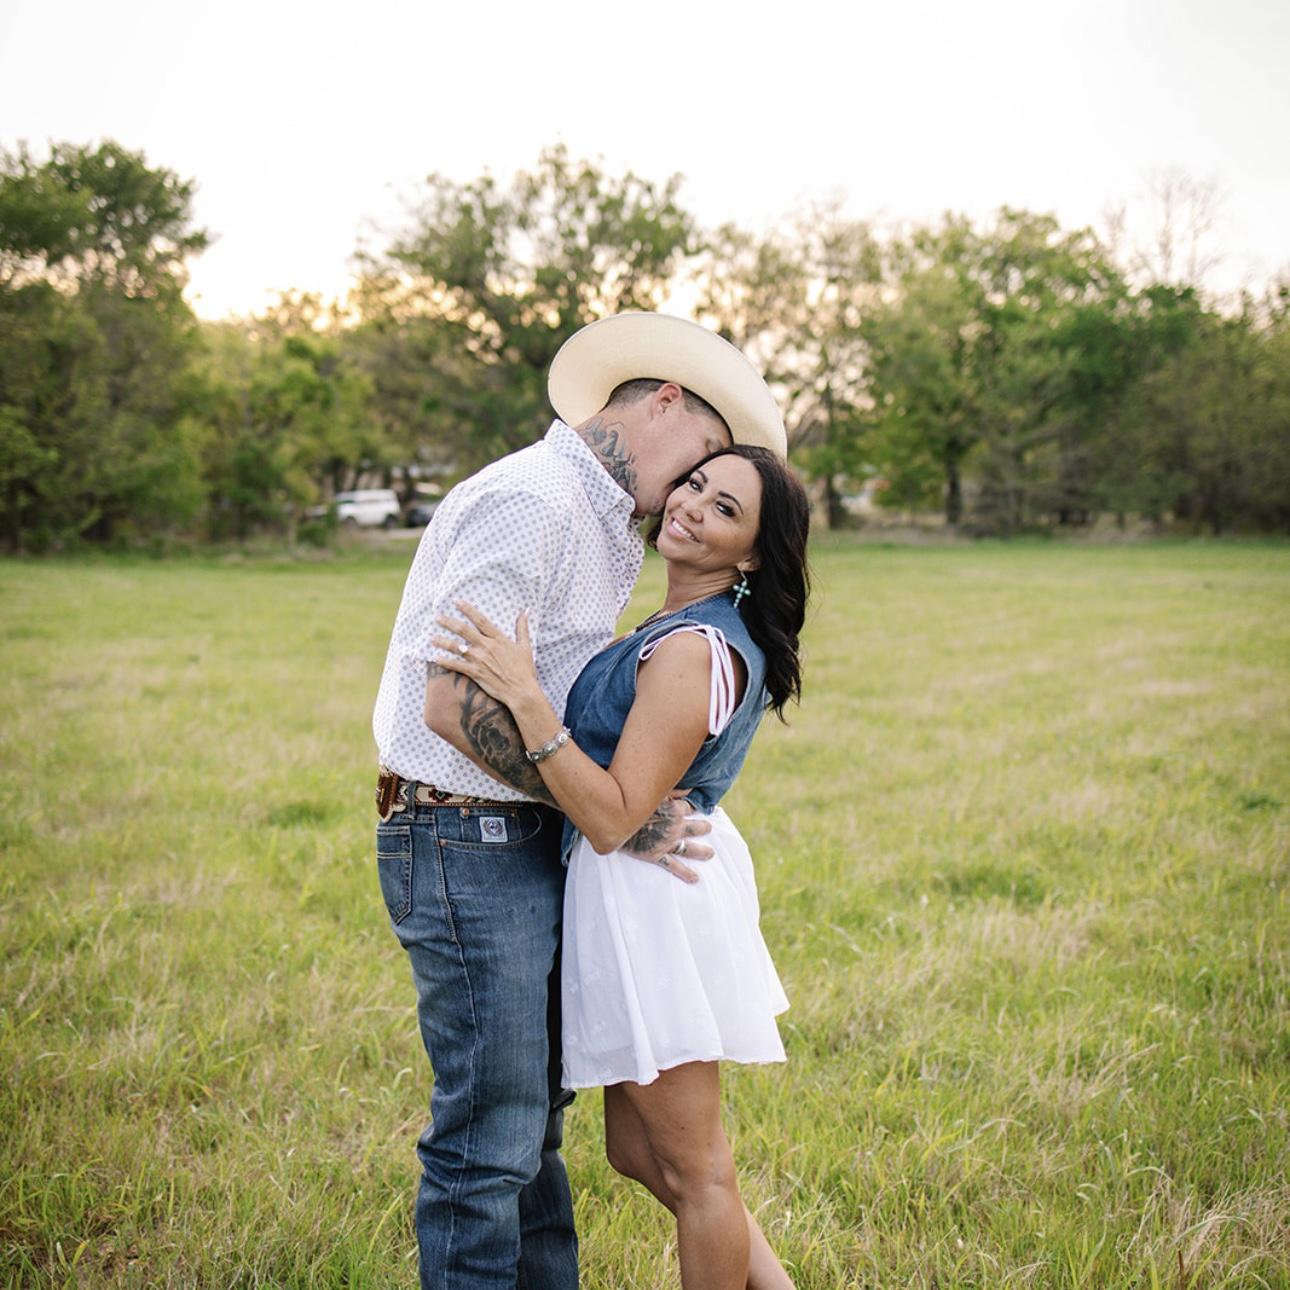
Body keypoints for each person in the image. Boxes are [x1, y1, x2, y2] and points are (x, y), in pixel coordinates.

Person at [371, 313, 787, 1289]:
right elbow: (455, 702)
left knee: (532, 1134)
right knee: (491, 1140)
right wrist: (611, 812)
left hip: (525, 836)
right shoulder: (535, 499)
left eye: (715, 490)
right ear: (667, 401)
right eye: (698, 466)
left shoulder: (604, 524)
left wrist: (602, 807)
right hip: (463, 832)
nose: (686, 496)